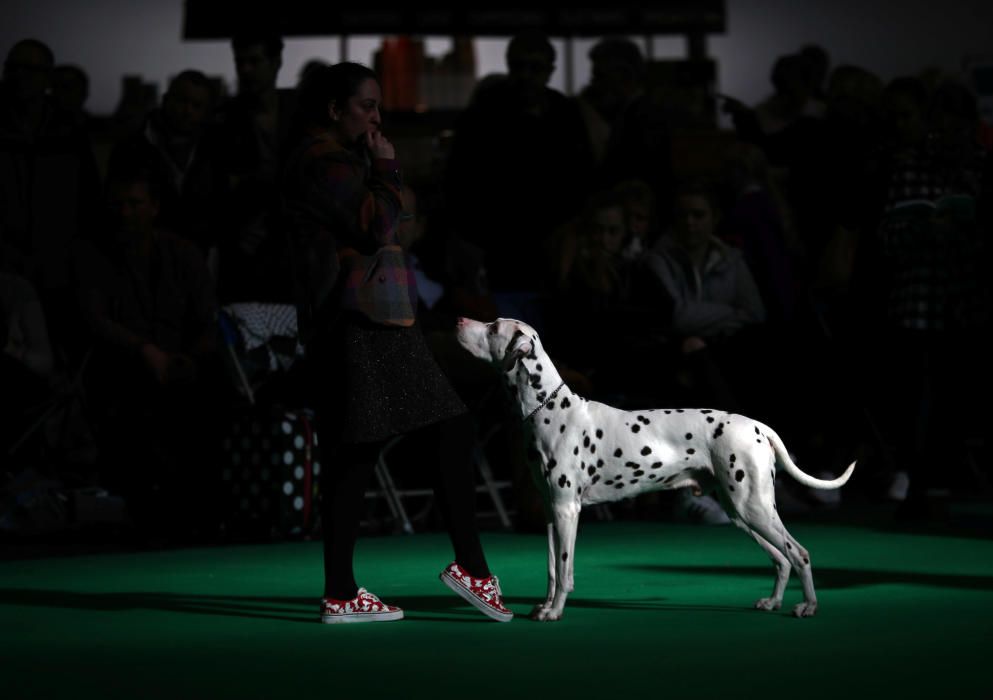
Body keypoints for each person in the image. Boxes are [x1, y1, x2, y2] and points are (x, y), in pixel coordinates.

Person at [282, 61, 512, 624]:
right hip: (365, 322)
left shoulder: (320, 157)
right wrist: (388, 170)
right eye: (367, 106)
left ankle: (344, 591)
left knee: (358, 452)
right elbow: (380, 226)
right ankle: (471, 571)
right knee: (442, 428)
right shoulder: (326, 162)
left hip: (352, 321)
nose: (377, 118)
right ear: (335, 109)